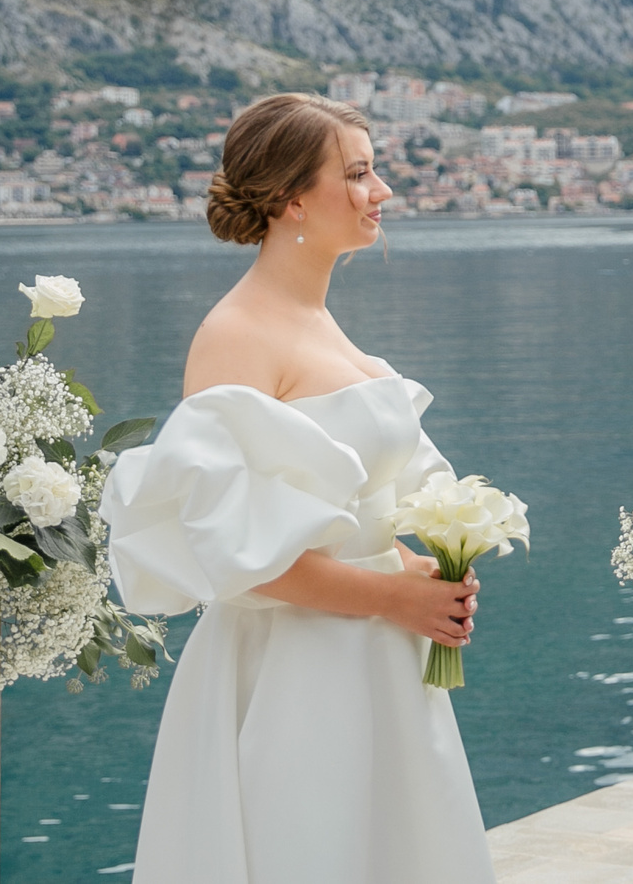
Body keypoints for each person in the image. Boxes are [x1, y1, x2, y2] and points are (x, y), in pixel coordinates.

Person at [99, 93, 494, 883]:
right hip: (294, 677)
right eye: (357, 172)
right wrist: (395, 599)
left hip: (372, 663)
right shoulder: (236, 335)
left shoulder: (317, 320)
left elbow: (337, 516)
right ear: (291, 199)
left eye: (373, 169)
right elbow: (242, 557)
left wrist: (415, 569)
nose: (380, 190)